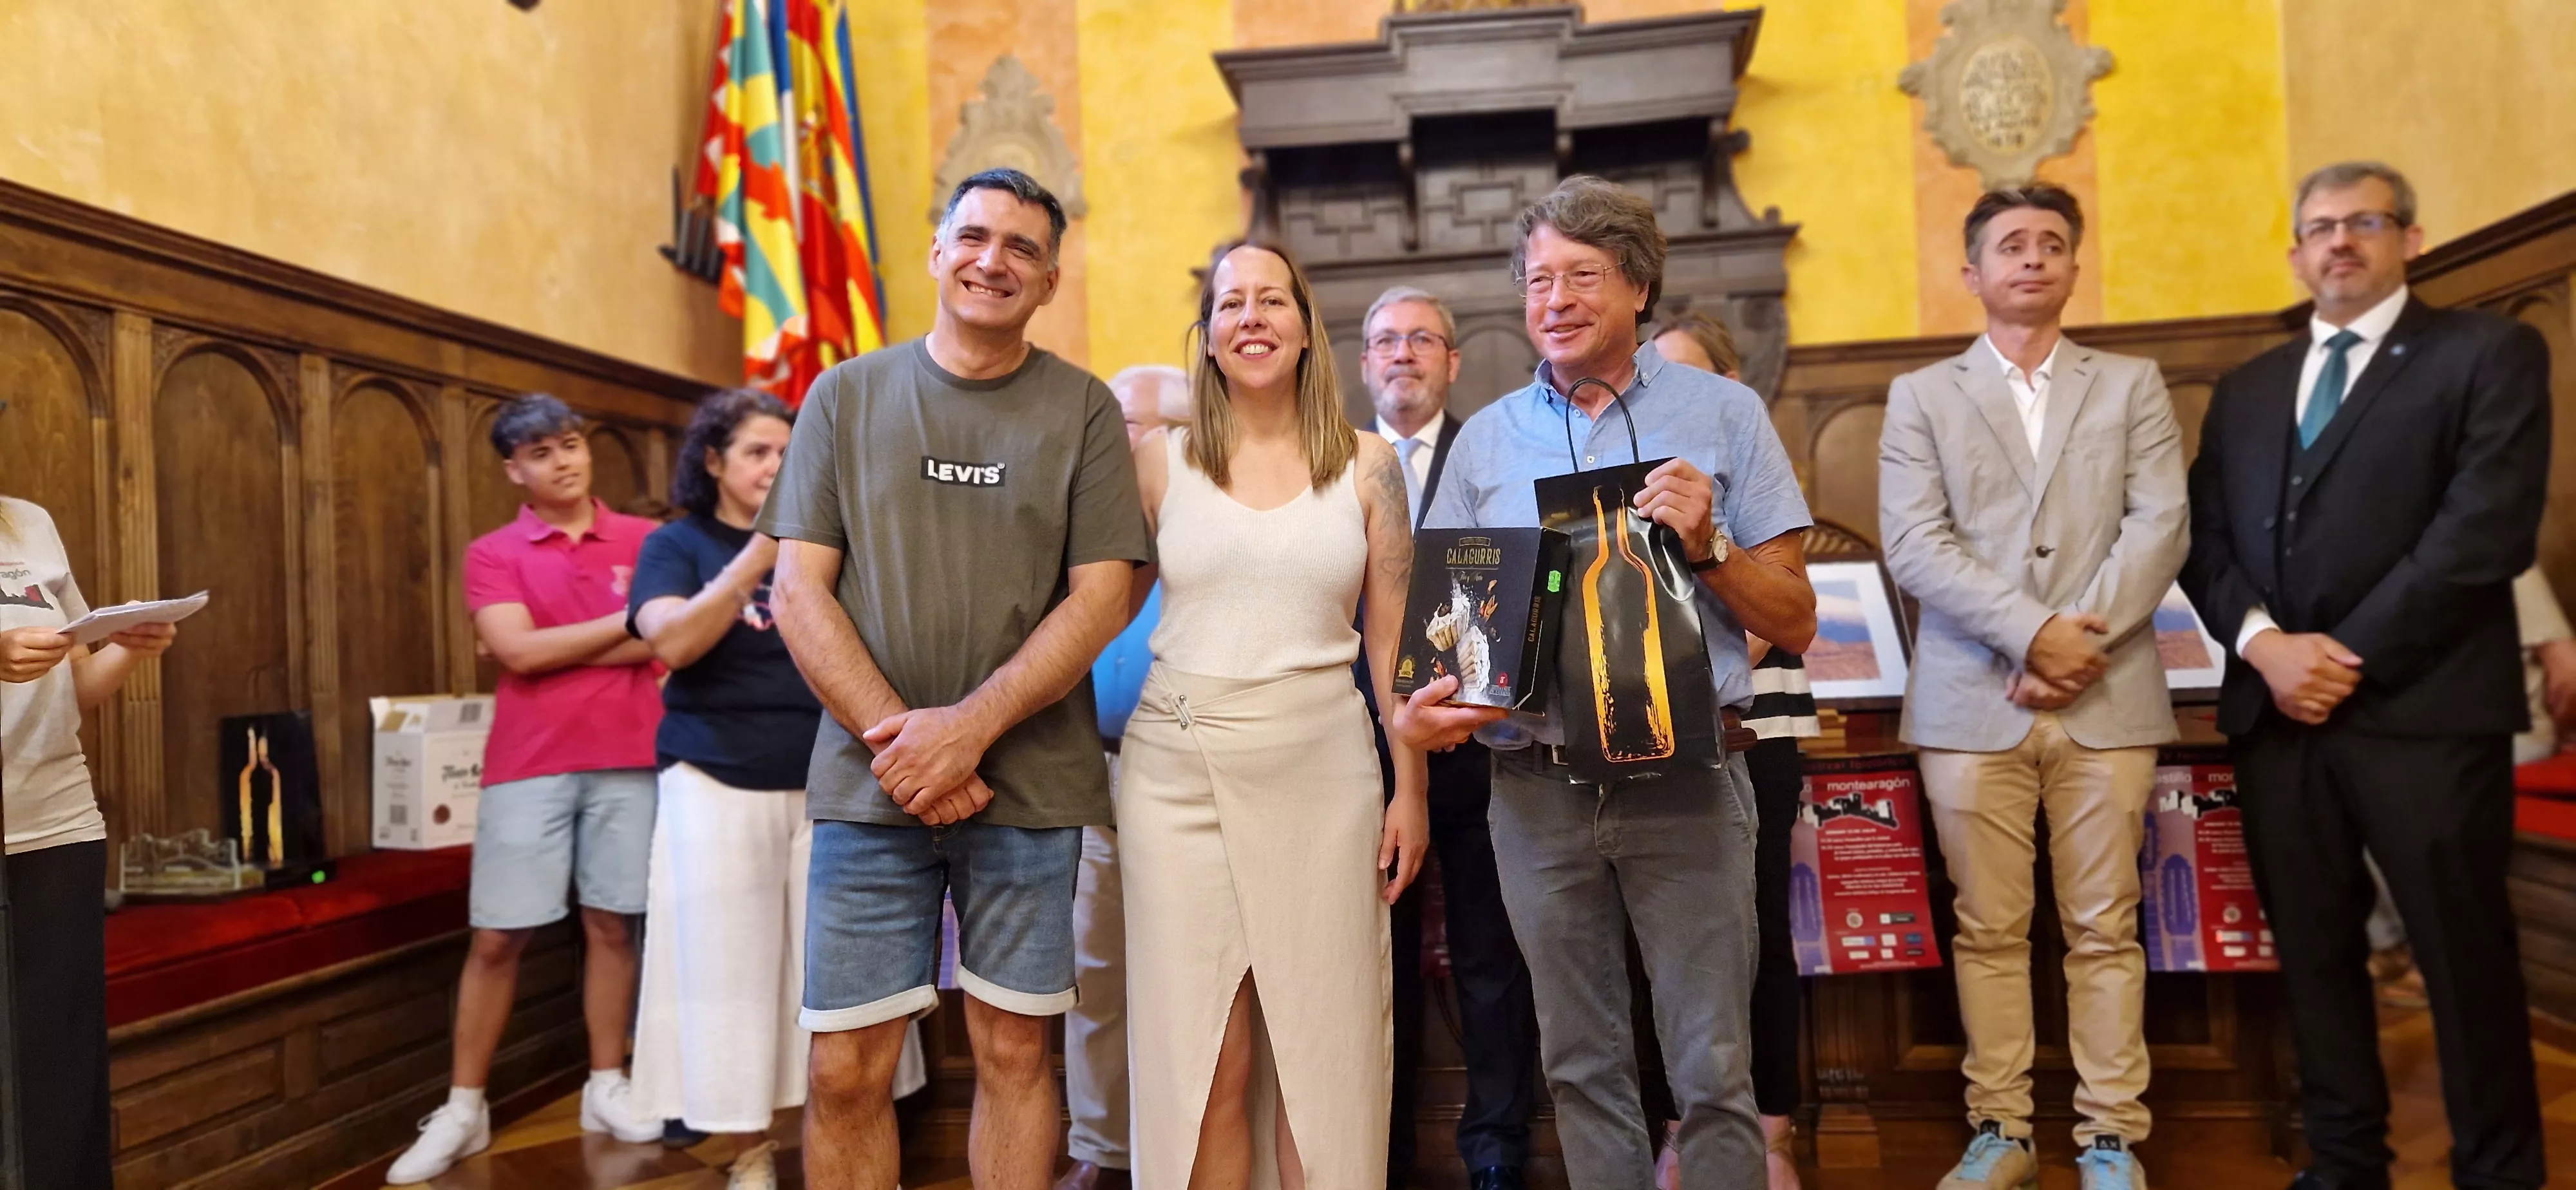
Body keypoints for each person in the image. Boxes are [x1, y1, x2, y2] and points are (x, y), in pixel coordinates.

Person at [1420, 175, 1818, 1187]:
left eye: (1582, 276)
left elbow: (1794, 618)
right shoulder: (1485, 441)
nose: (1554, 299)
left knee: (1712, 1067)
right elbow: (1454, 644)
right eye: (1537, 279)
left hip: (1690, 783)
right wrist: (1435, 702)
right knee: (1581, 1065)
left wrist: (1711, 542)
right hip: (1535, 792)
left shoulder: (1725, 413)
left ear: (1639, 287)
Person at [760, 167, 1150, 1190]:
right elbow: (798, 592)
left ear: (1051, 280)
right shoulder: (843, 395)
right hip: (869, 786)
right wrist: (910, 747)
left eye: (1023, 248)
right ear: (937, 252)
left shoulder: (1084, 410)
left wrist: (967, 732)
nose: (993, 261)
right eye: (974, 237)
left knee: (1015, 1051)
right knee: (845, 1066)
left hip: (1029, 788)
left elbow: (1103, 597)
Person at [2179, 160, 2552, 1190]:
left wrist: (2340, 660)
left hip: (2428, 713)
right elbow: (2204, 538)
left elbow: (2482, 530)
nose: (2340, 241)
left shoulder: (2487, 352)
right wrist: (2264, 645)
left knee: (2462, 960)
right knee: (2314, 955)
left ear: (2410, 240)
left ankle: (2499, 1172)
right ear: (2296, 253)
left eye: (2365, 222)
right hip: (2279, 718)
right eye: (2321, 227)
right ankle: (2344, 1165)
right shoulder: (2248, 388)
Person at [1119, 240, 1470, 1189]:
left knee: (1323, 1051)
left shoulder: (1366, 466)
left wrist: (1411, 792)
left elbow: (1393, 647)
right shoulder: (1158, 464)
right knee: (1208, 1054)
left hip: (1324, 778)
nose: (1252, 318)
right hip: (1175, 778)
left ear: (1306, 328)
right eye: (1231, 303)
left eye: (1272, 300)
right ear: (1207, 335)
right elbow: (1094, 613)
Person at [1879, 184, 2187, 1190]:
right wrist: (2032, 635)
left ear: (2073, 266)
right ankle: (2001, 1130)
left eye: (2052, 242)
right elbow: (1915, 543)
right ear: (1972, 272)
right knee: (1988, 928)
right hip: (1971, 702)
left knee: (2107, 927)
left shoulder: (2132, 383)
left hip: (2110, 692)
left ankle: (2111, 1137)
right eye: (2011, 244)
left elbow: (2160, 526)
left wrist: (2077, 643)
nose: (2033, 257)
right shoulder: (1922, 395)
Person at [624, 389, 921, 1190]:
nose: (777, 466)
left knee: (841, 976)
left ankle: (850, 1146)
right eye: (757, 452)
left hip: (835, 782)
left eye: (788, 453)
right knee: (731, 973)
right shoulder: (676, 544)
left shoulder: (836, 540)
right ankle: (750, 1149)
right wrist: (760, 553)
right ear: (712, 461)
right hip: (716, 782)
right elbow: (673, 644)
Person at [391, 393, 669, 1184]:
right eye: (542, 453)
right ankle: (464, 1106)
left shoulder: (647, 540)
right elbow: (518, 654)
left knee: (613, 925)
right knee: (496, 936)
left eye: (571, 444)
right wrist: (628, 624)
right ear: (515, 470)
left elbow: (668, 642)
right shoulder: (492, 552)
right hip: (528, 760)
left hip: (631, 754)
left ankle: (606, 1084)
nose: (563, 461)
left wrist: (555, 645)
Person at [1359, 284, 1542, 1190]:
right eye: (1387, 340)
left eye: (1422, 340)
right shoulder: (1334, 467)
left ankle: (1498, 1150)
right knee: (1373, 971)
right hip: (1358, 761)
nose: (1404, 353)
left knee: (1491, 961)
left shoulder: (1496, 456)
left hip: (1480, 755)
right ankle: (1378, 1154)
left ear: (1453, 360)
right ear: (1365, 363)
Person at [1643, 308, 1817, 1190]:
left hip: (1755, 725)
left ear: (1730, 386)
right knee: (1666, 941)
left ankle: (1771, 1131)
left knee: (1757, 933)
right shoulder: (1637, 476)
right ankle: (1683, 1129)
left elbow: (1774, 611)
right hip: (1655, 735)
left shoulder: (1754, 464)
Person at [0, 496, 177, 1190]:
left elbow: (73, 687)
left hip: (58, 821)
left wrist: (127, 647)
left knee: (62, 1065)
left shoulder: (30, 522)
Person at [1056, 363, 1191, 1190]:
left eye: (1130, 423)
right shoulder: (1077, 515)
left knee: (1192, 976)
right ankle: (1103, 1148)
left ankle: (1189, 1152)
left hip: (1189, 768)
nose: (1115, 440)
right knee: (1096, 969)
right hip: (1090, 767)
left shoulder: (1213, 523)